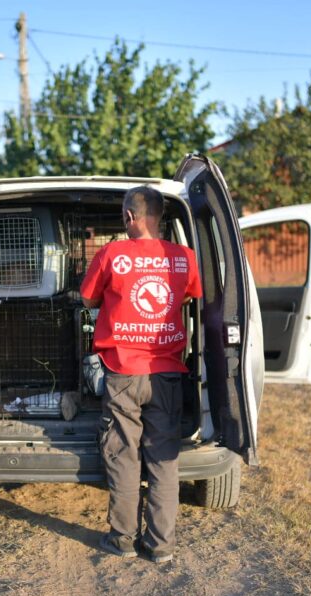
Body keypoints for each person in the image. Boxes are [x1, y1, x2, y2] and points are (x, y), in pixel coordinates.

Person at [79, 186, 202, 564]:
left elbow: (87, 299)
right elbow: (190, 296)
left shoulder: (112, 254)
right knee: (164, 458)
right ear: (160, 216)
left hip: (121, 373)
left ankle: (123, 539)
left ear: (129, 217)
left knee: (122, 455)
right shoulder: (184, 258)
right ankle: (161, 545)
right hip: (167, 372)